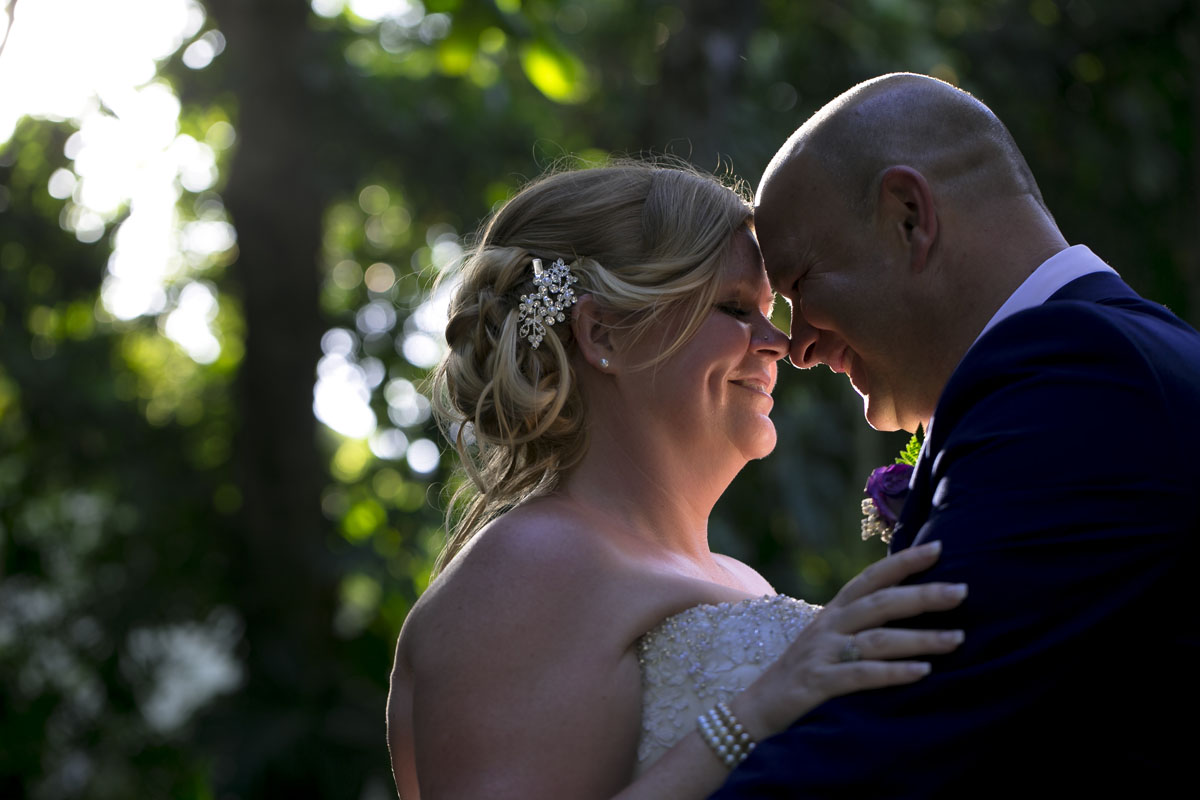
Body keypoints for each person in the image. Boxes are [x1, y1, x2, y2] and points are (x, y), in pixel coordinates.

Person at [385, 161, 968, 799]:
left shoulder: (740, 580)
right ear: (603, 331)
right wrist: (751, 717)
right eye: (738, 308)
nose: (780, 343)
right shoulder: (531, 564)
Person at [714, 73, 1200, 797]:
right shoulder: (1120, 355)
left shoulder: (1083, 380)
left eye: (803, 286)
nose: (800, 345)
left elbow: (901, 731)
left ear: (909, 216)